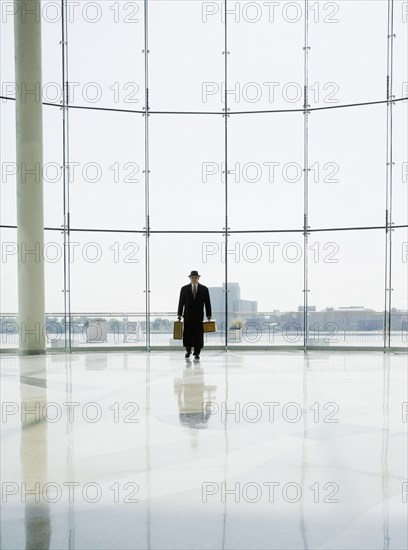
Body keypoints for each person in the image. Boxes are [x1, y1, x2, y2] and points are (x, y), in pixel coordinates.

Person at [177, 270, 212, 360]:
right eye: (192, 277)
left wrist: (209, 314)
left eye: (195, 277)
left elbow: (207, 303)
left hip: (199, 316)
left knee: (198, 334)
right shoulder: (184, 289)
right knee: (187, 334)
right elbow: (181, 302)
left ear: (198, 278)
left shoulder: (204, 289)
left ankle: (197, 352)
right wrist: (179, 314)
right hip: (187, 315)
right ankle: (188, 351)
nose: (194, 279)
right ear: (190, 278)